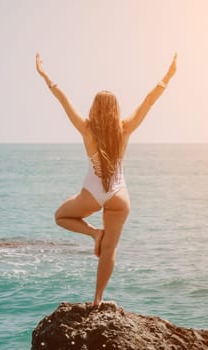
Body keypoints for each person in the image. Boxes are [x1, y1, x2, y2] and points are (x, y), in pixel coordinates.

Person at [36, 52, 177, 307]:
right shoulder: (125, 128)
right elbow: (148, 102)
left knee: (60, 216)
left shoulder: (86, 128)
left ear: (94, 107)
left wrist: (45, 75)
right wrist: (167, 77)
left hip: (92, 192)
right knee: (110, 250)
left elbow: (63, 100)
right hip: (119, 195)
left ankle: (93, 233)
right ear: (115, 109)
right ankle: (98, 300)